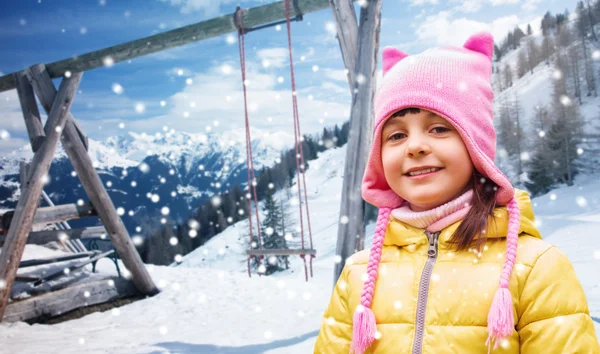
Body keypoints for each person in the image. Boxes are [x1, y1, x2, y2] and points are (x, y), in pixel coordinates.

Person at [314, 31, 600, 353]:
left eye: (439, 128)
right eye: (395, 135)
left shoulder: (536, 268)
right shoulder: (359, 273)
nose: (416, 146)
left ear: (475, 145)